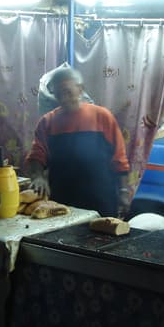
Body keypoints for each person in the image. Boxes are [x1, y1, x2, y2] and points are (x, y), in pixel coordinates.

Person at [26, 67, 130, 217]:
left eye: (68, 92)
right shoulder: (47, 122)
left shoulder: (103, 117)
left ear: (80, 90)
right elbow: (37, 156)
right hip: (62, 201)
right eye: (59, 94)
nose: (64, 99)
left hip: (101, 199)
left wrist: (124, 192)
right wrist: (38, 177)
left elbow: (119, 159)